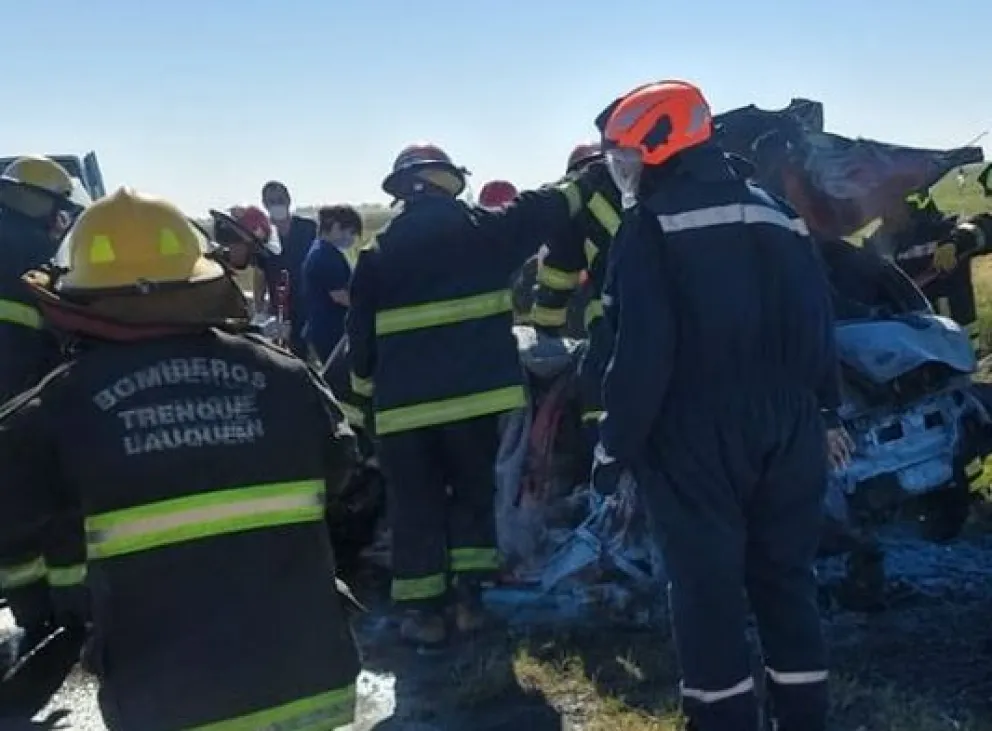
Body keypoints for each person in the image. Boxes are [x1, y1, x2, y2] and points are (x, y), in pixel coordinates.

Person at [0, 187, 361, 730]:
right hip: (308, 685)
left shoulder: (55, 409)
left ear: (79, 297)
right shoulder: (285, 376)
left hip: (172, 705)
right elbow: (341, 469)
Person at [592, 80, 851, 731]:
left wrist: (613, 448)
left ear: (659, 145)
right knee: (787, 581)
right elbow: (819, 316)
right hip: (790, 427)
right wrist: (827, 413)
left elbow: (641, 352)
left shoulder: (651, 225)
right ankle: (804, 717)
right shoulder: (778, 213)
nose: (621, 170)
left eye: (625, 156)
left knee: (708, 595)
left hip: (694, 431)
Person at [347, 142, 611, 646]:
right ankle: (469, 602)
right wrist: (586, 179)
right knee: (472, 497)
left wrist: (361, 407)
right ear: (451, 181)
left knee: (414, 505)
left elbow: (359, 342)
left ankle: (421, 614)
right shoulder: (484, 232)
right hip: (474, 403)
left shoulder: (376, 255)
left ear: (401, 190)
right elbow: (542, 209)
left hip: (402, 412)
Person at [0, 155, 89, 671]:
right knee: (61, 512)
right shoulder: (41, 257)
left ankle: (31, 614)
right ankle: (72, 617)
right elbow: (71, 334)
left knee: (8, 518)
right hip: (36, 407)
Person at [532, 141, 622, 455]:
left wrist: (544, 333)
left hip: (613, 322)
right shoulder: (646, 183)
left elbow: (558, 276)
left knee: (597, 398)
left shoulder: (581, 198)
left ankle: (600, 474)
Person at [259, 180, 318, 356]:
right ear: (265, 204)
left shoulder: (308, 228)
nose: (277, 204)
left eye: (280, 199)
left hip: (309, 303)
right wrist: (260, 309)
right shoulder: (264, 236)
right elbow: (260, 273)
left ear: (289, 200)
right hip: (281, 308)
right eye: (271, 201)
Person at [302, 205, 363, 366]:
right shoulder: (326, 256)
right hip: (331, 331)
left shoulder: (321, 251)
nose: (352, 239)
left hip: (323, 328)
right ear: (336, 228)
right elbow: (340, 296)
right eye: (351, 232)